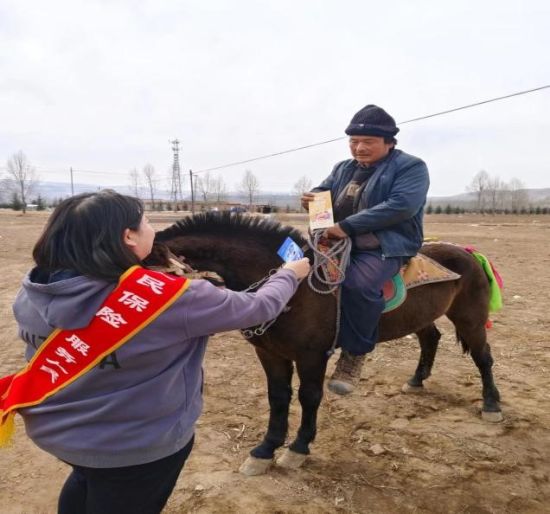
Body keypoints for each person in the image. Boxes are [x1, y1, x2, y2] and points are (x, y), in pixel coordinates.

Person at [7, 190, 310, 514]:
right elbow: (259, 307)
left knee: (86, 480)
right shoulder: (171, 299)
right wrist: (289, 274)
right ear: (128, 237)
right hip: (136, 450)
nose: (152, 228)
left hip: (57, 433)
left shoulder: (33, 290)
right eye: (147, 222)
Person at [301, 104, 429, 395]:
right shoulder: (343, 168)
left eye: (368, 142)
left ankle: (353, 355)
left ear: (389, 142)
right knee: (296, 270)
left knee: (358, 285)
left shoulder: (411, 167)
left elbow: (401, 206)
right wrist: (311, 201)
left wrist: (346, 227)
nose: (359, 148)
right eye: (354, 142)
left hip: (387, 243)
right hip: (338, 241)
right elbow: (323, 193)